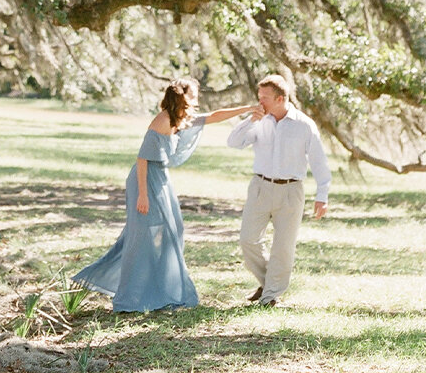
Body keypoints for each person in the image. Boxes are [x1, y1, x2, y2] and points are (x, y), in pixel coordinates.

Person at [72, 79, 257, 312]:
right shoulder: (163, 120)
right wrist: (142, 195)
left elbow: (216, 115)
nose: (198, 98)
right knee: (142, 234)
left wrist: (248, 109)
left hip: (161, 178)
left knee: (173, 230)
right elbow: (142, 159)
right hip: (145, 180)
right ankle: (130, 296)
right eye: (195, 94)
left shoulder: (183, 119)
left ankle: (162, 289)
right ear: (184, 97)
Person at [226, 73, 331, 308]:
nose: (259, 102)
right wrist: (249, 120)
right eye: (259, 97)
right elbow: (233, 142)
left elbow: (319, 163)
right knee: (247, 240)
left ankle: (270, 295)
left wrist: (321, 196)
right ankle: (269, 282)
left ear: (280, 99)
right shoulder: (259, 121)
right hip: (260, 187)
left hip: (291, 191)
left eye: (264, 98)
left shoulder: (304, 125)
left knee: (283, 247)